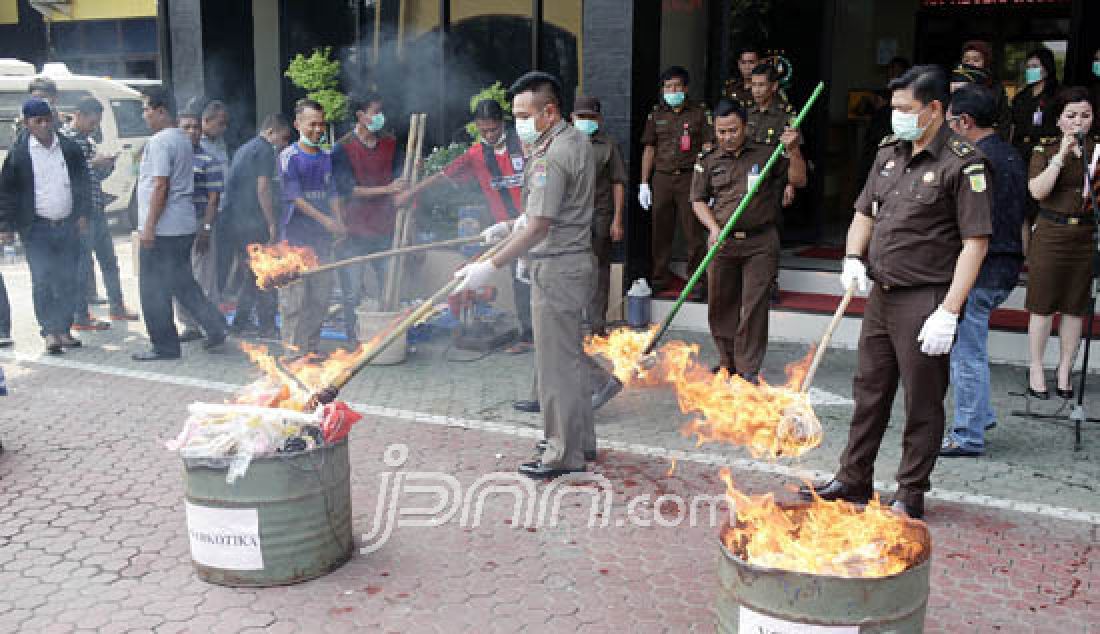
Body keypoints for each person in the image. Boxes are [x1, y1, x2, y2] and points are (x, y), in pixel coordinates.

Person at [801, 66, 992, 519]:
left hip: (925, 299)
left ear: (935, 110)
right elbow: (865, 213)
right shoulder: (890, 152)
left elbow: (975, 243)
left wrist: (949, 310)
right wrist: (851, 257)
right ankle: (853, 478)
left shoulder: (963, 162)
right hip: (882, 295)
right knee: (869, 390)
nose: (897, 118)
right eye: (894, 109)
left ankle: (910, 492)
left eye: (906, 110)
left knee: (922, 401)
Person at [454, 71, 621, 479]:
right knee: (569, 360)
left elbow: (542, 223)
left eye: (524, 115)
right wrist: (509, 225)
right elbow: (544, 213)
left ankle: (561, 453)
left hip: (557, 266)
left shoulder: (550, 155)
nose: (518, 124)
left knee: (554, 367)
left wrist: (490, 266)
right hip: (571, 261)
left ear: (550, 111)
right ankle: (581, 443)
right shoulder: (573, 141)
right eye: (515, 116)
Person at [397, 98, 534, 351]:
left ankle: (555, 334)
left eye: (494, 129)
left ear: (503, 124)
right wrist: (412, 192)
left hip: (536, 225)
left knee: (543, 279)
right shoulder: (476, 154)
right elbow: (442, 175)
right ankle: (528, 335)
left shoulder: (524, 145)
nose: (490, 135)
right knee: (520, 279)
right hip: (508, 231)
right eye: (484, 131)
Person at [939, 85, 1028, 457]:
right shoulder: (1008, 153)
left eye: (949, 121)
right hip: (1004, 264)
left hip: (984, 266)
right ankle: (980, 414)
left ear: (964, 122)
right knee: (968, 347)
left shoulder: (977, 159)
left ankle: (967, 433)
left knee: (966, 352)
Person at [691, 99, 806, 382]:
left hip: (760, 242)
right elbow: (697, 200)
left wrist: (793, 150)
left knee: (754, 306)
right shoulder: (708, 160)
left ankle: (747, 369)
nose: (727, 137)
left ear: (745, 126)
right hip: (723, 242)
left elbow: (799, 180)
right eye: (721, 132)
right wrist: (713, 228)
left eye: (733, 130)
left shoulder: (767, 154)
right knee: (720, 304)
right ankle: (727, 362)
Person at [132, 87, 227, 361]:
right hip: (182, 224)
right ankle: (215, 325)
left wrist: (148, 227)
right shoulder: (182, 139)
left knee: (153, 288)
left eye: (146, 109)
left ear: (161, 110)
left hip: (164, 228)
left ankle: (164, 345)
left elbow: (160, 185)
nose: (145, 115)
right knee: (183, 283)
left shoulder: (162, 141)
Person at [0, 98, 90, 355]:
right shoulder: (19, 155)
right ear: (28, 124)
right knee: (43, 279)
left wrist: (83, 213)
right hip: (36, 228)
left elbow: (83, 181)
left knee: (68, 279)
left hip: (67, 225)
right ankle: (49, 332)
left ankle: (64, 328)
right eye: (38, 121)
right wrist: (5, 226)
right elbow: (6, 192)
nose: (44, 125)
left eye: (47, 119)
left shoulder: (69, 148)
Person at [1024, 87, 1097, 401]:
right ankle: (1036, 367)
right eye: (1071, 116)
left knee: (1074, 307)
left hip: (1085, 235)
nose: (1078, 122)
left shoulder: (1098, 151)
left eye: (1085, 115)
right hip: (1051, 233)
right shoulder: (1044, 149)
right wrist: (1061, 157)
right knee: (1042, 305)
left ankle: (1065, 368)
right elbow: (1038, 192)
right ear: (1058, 120)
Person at [61, 97, 140, 330]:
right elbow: (67, 176)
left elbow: (95, 179)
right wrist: (92, 165)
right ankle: (80, 316)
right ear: (79, 115)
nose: (94, 127)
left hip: (97, 209)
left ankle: (117, 306)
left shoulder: (87, 141)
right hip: (80, 213)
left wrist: (107, 166)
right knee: (82, 264)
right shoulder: (66, 141)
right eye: (92, 122)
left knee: (109, 260)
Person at [332, 93, 403, 344]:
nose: (380, 117)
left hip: (385, 228)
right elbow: (347, 190)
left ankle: (386, 339)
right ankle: (354, 340)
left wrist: (400, 193)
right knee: (351, 292)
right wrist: (387, 189)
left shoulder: (390, 143)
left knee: (389, 287)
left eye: (381, 111)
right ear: (360, 116)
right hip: (354, 231)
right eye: (375, 112)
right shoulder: (342, 147)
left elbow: (400, 182)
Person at [278, 98, 346, 356]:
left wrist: (339, 222)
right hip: (294, 241)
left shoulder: (327, 156)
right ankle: (293, 355)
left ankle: (311, 350)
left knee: (320, 299)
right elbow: (295, 198)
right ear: (297, 124)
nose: (318, 129)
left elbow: (333, 193)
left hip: (322, 243)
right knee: (294, 301)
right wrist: (327, 221)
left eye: (321, 124)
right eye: (312, 124)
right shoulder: (289, 157)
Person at [639, 66, 714, 299]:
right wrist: (644, 183)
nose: (672, 91)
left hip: (690, 177)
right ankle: (660, 278)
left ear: (686, 88)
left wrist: (708, 183)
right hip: (662, 178)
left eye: (677, 86)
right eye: (668, 87)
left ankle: (698, 282)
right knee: (660, 232)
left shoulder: (699, 113)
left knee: (693, 233)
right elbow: (649, 148)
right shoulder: (656, 114)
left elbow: (709, 147)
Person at [224, 114, 292, 338]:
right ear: (271, 131)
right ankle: (267, 326)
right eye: (283, 138)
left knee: (252, 275)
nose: (284, 144)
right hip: (254, 223)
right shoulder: (264, 151)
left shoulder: (245, 148)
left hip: (237, 222)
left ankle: (240, 323)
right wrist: (272, 223)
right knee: (266, 274)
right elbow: (262, 188)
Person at [571, 95, 626, 336]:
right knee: (571, 270)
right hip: (570, 218)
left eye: (591, 117)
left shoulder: (608, 145)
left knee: (598, 270)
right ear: (572, 118)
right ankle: (572, 324)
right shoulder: (561, 144)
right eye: (581, 117)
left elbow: (618, 182)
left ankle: (597, 325)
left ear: (599, 119)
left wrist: (617, 220)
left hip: (600, 216)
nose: (586, 121)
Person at [174, 104, 226, 341]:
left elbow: (214, 198)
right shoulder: (171, 156)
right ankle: (189, 325)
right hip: (175, 227)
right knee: (180, 276)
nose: (192, 131)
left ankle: (211, 326)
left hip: (198, 223)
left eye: (196, 127)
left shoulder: (208, 159)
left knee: (204, 277)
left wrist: (206, 228)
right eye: (186, 127)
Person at [1009, 48, 1060, 161]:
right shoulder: (1020, 97)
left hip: (1044, 153)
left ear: (1047, 68)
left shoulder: (1057, 95)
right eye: (1028, 67)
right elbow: (1012, 126)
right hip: (1018, 151)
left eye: (1035, 66)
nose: (1030, 70)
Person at [959, 40, 1012, 137]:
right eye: (966, 60)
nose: (970, 64)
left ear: (985, 63)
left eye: (976, 60)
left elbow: (1004, 124)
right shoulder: (955, 87)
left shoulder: (996, 89)